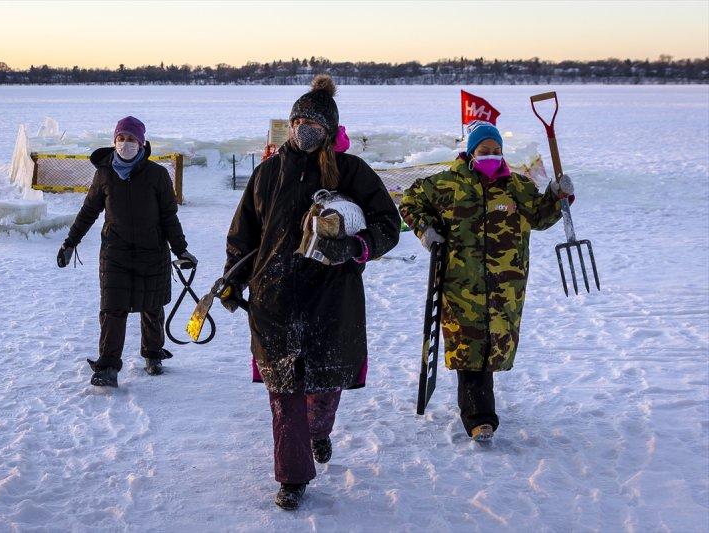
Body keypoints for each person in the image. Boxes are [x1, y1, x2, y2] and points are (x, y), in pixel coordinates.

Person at [223, 75, 400, 509]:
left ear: (329, 130)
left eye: (314, 123)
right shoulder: (267, 173)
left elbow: (388, 226)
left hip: (331, 301)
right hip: (274, 300)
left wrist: (356, 247)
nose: (304, 129)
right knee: (285, 395)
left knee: (321, 392)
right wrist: (232, 278)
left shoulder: (352, 172)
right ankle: (293, 477)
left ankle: (318, 433)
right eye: (298, 120)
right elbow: (244, 234)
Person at [400, 121, 574, 442]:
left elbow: (540, 216)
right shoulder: (448, 184)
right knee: (470, 349)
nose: (492, 156)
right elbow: (409, 200)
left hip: (505, 288)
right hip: (461, 286)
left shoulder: (517, 188)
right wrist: (427, 230)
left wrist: (555, 195)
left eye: (497, 151)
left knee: (491, 348)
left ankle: (479, 407)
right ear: (471, 153)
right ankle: (480, 419)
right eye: (484, 151)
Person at [57, 116, 196, 388]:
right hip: (115, 253)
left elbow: (169, 216)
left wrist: (181, 250)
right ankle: (108, 367)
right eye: (121, 138)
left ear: (142, 143)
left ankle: (153, 354)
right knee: (112, 309)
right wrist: (70, 242)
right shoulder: (105, 173)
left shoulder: (157, 175)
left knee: (152, 306)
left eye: (131, 139)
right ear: (114, 141)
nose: (125, 143)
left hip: (152, 251)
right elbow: (88, 211)